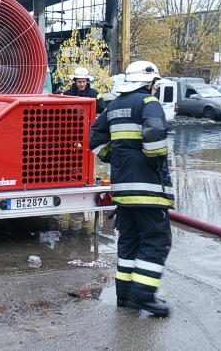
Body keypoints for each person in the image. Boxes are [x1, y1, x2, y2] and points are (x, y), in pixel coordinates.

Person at [89, 60, 175, 317]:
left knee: (129, 240)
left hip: (123, 188)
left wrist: (115, 158)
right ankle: (143, 295)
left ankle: (124, 296)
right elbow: (156, 135)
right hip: (148, 188)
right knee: (156, 240)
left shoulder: (114, 106)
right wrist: (154, 158)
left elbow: (95, 139)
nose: (155, 88)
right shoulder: (149, 104)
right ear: (149, 83)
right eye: (154, 84)